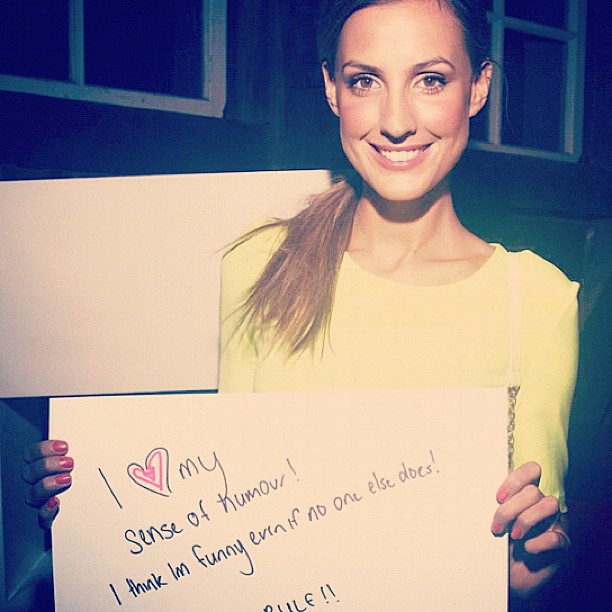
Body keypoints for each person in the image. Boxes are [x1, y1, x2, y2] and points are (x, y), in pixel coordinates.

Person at [23, 0, 578, 600]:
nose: (396, 121)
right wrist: (97, 513)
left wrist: (528, 567)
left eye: (430, 80)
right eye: (365, 81)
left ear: (478, 87)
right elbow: (229, 509)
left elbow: (523, 557)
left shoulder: (537, 299)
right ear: (332, 90)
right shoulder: (260, 265)